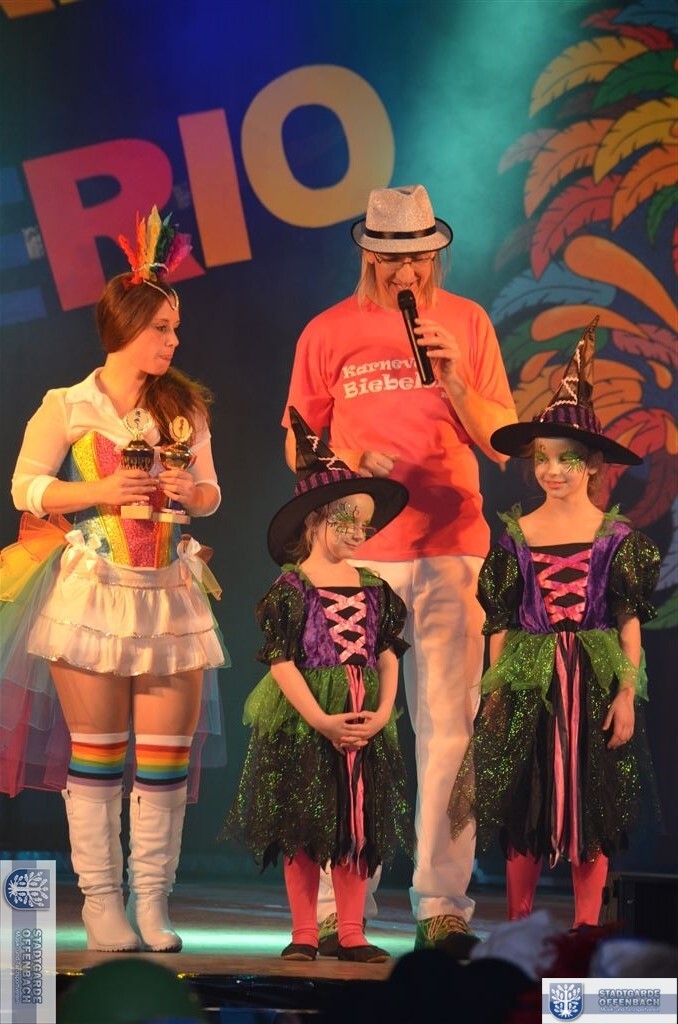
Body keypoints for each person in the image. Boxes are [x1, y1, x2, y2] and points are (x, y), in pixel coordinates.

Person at [283, 184, 517, 954]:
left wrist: (457, 381)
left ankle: (442, 904)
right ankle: (337, 907)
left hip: (451, 546)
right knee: (354, 724)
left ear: (435, 254)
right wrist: (350, 457)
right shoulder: (326, 331)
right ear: (368, 257)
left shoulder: (468, 323)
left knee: (448, 729)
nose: (406, 272)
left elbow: (503, 441)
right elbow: (298, 446)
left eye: (418, 258)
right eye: (392, 260)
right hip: (359, 555)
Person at [0, 207, 227, 953]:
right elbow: (25, 487)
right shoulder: (68, 404)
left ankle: (152, 902)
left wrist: (191, 492)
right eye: (162, 328)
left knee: (164, 762)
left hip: (168, 592)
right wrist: (98, 491)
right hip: (93, 587)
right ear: (126, 327)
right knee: (97, 754)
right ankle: (102, 903)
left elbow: (212, 493)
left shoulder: (183, 407)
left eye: (176, 328)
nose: (174, 340)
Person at [448, 317, 661, 928]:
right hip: (528, 683)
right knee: (527, 802)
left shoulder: (615, 539)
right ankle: (519, 927)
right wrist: (493, 695)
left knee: (589, 806)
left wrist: (626, 695)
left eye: (567, 460)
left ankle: (586, 928)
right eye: (543, 458)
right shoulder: (517, 536)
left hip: (592, 682)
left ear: (593, 465)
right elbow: (500, 624)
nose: (553, 470)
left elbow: (628, 626)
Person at [223, 408, 412, 962]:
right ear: (314, 520)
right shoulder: (292, 588)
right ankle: (305, 932)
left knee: (356, 823)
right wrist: (321, 719)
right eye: (346, 520)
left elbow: (387, 654)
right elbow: (281, 662)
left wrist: (384, 712)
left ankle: (350, 930)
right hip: (308, 721)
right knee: (303, 823)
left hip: (362, 716)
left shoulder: (376, 588)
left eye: (363, 524)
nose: (356, 532)